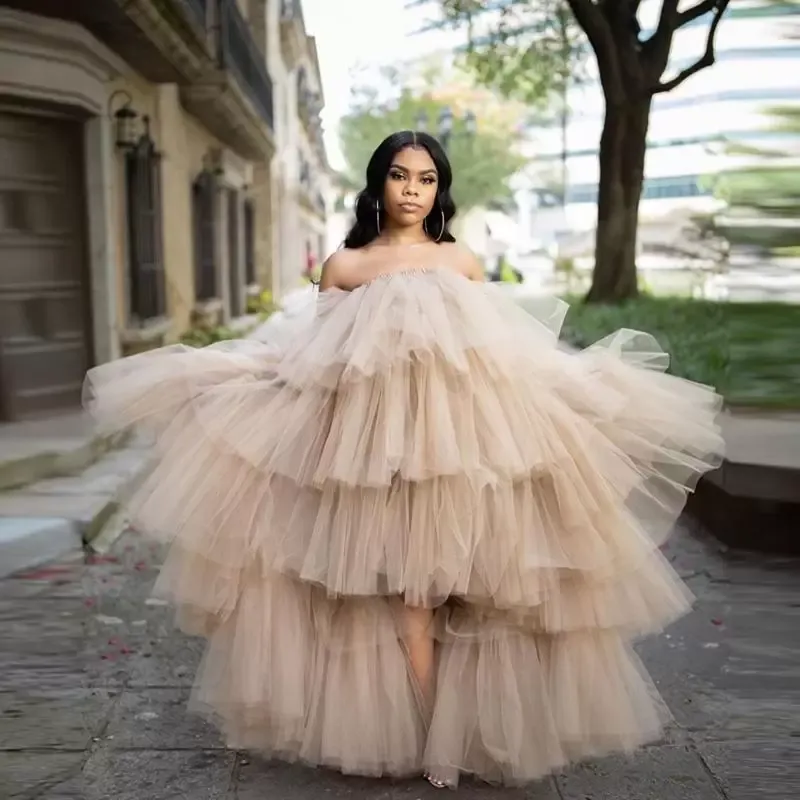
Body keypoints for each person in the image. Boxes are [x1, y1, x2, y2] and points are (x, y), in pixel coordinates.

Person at [83, 131, 724, 790]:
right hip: (372, 462)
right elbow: (319, 361)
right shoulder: (347, 266)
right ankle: (424, 739)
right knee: (404, 602)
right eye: (399, 176)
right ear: (378, 184)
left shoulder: (461, 262)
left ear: (439, 189)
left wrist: (564, 400)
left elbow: (498, 363)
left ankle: (466, 729)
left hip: (466, 458)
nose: (413, 190)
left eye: (425, 178)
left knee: (472, 599)